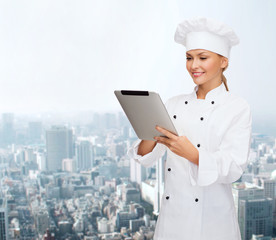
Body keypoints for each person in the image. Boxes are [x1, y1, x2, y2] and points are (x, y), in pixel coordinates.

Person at [127, 17, 252, 240]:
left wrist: (193, 154)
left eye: (203, 57)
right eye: (189, 58)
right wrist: (150, 131)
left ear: (223, 62)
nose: (194, 65)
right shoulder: (174, 104)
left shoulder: (237, 107)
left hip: (213, 223)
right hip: (172, 222)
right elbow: (145, 157)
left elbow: (233, 167)